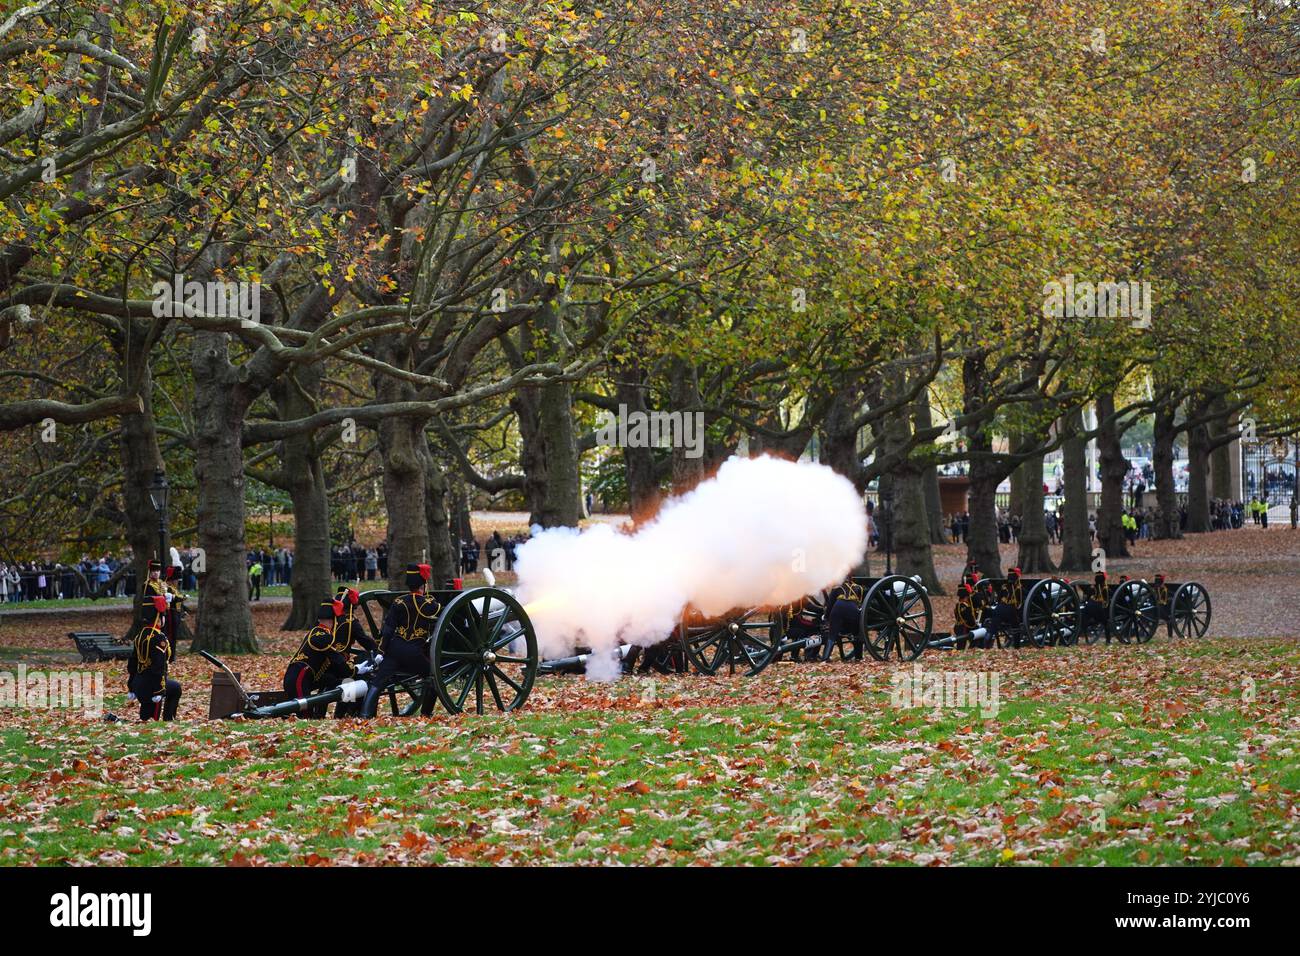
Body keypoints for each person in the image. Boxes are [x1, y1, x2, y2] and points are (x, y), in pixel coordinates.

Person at [360, 564, 441, 718]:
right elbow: (437, 609)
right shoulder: (428, 604)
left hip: (394, 651)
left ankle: (365, 714)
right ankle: (426, 712)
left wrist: (381, 651)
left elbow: (388, 630)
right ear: (422, 586)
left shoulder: (398, 602)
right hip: (415, 653)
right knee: (434, 676)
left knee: (377, 681)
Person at [282, 600, 358, 718]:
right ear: (331, 621)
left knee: (340, 681)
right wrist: (356, 669)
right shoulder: (321, 636)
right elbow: (337, 659)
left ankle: (342, 715)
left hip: (309, 678)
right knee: (306, 717)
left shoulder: (319, 632)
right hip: (299, 679)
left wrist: (348, 674)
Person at [127, 594, 181, 721]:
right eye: (163, 616)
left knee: (146, 716)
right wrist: (159, 691)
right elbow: (158, 667)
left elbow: (132, 663)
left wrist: (131, 686)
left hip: (138, 684)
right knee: (176, 688)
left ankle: (146, 717)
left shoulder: (140, 635)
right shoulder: (158, 637)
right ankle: (168, 719)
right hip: (153, 686)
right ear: (158, 618)